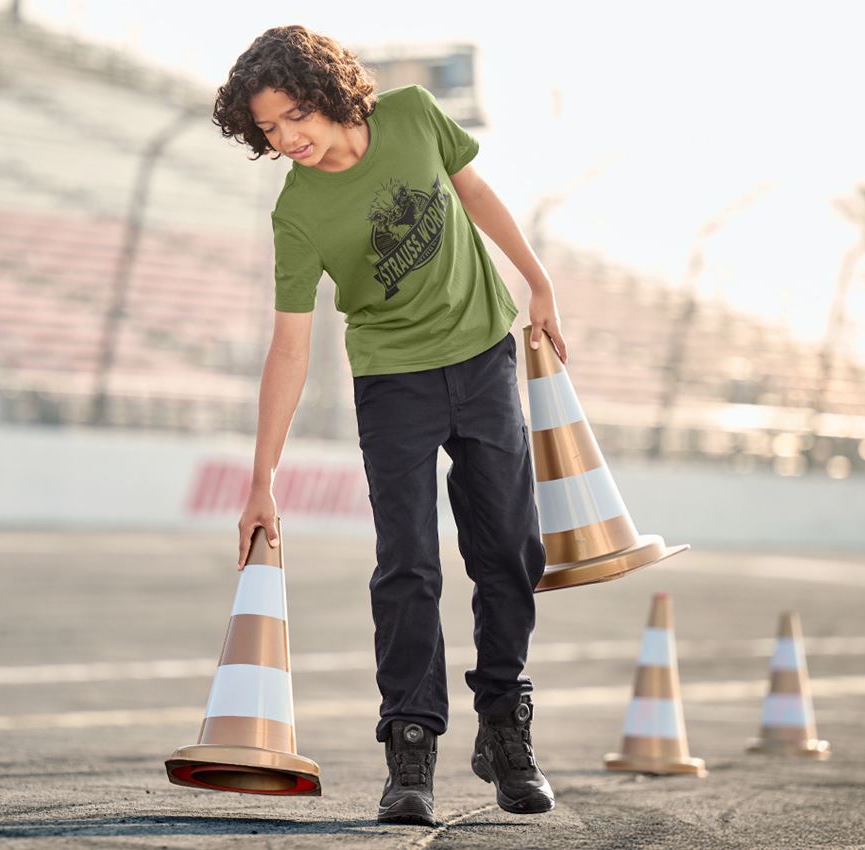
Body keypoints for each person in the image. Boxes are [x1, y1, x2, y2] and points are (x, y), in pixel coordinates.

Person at [215, 24, 569, 826]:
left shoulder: (413, 116)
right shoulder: (298, 212)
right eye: (268, 128)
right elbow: (291, 349)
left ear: (331, 92)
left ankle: (505, 728)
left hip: (482, 360)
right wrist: (260, 480)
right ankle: (410, 749)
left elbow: (475, 193)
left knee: (510, 553)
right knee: (407, 566)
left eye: (296, 114)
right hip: (392, 383)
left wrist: (538, 283)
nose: (287, 138)